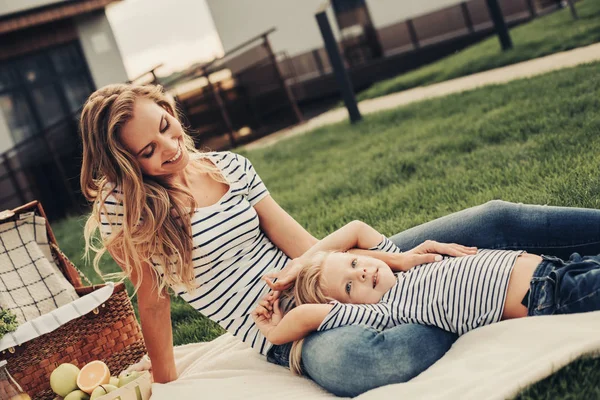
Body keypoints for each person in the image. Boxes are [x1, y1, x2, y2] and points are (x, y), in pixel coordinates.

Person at [79, 83, 600, 397]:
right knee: (376, 364)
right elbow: (152, 301)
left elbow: (308, 245)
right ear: (129, 163)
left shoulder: (229, 167)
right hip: (297, 329)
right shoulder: (131, 214)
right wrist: (168, 385)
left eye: (168, 127)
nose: (170, 147)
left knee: (495, 218)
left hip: (338, 277)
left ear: (171, 111)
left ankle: (468, 286)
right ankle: (466, 291)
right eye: (149, 150)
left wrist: (395, 261)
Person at [252, 220, 600, 375]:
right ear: (343, 307)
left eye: (355, 262)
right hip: (548, 295)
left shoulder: (402, 264)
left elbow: (355, 229)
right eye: (348, 286)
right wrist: (273, 330)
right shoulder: (385, 310)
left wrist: (305, 261)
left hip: (555, 267)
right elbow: (309, 317)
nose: (360, 272)